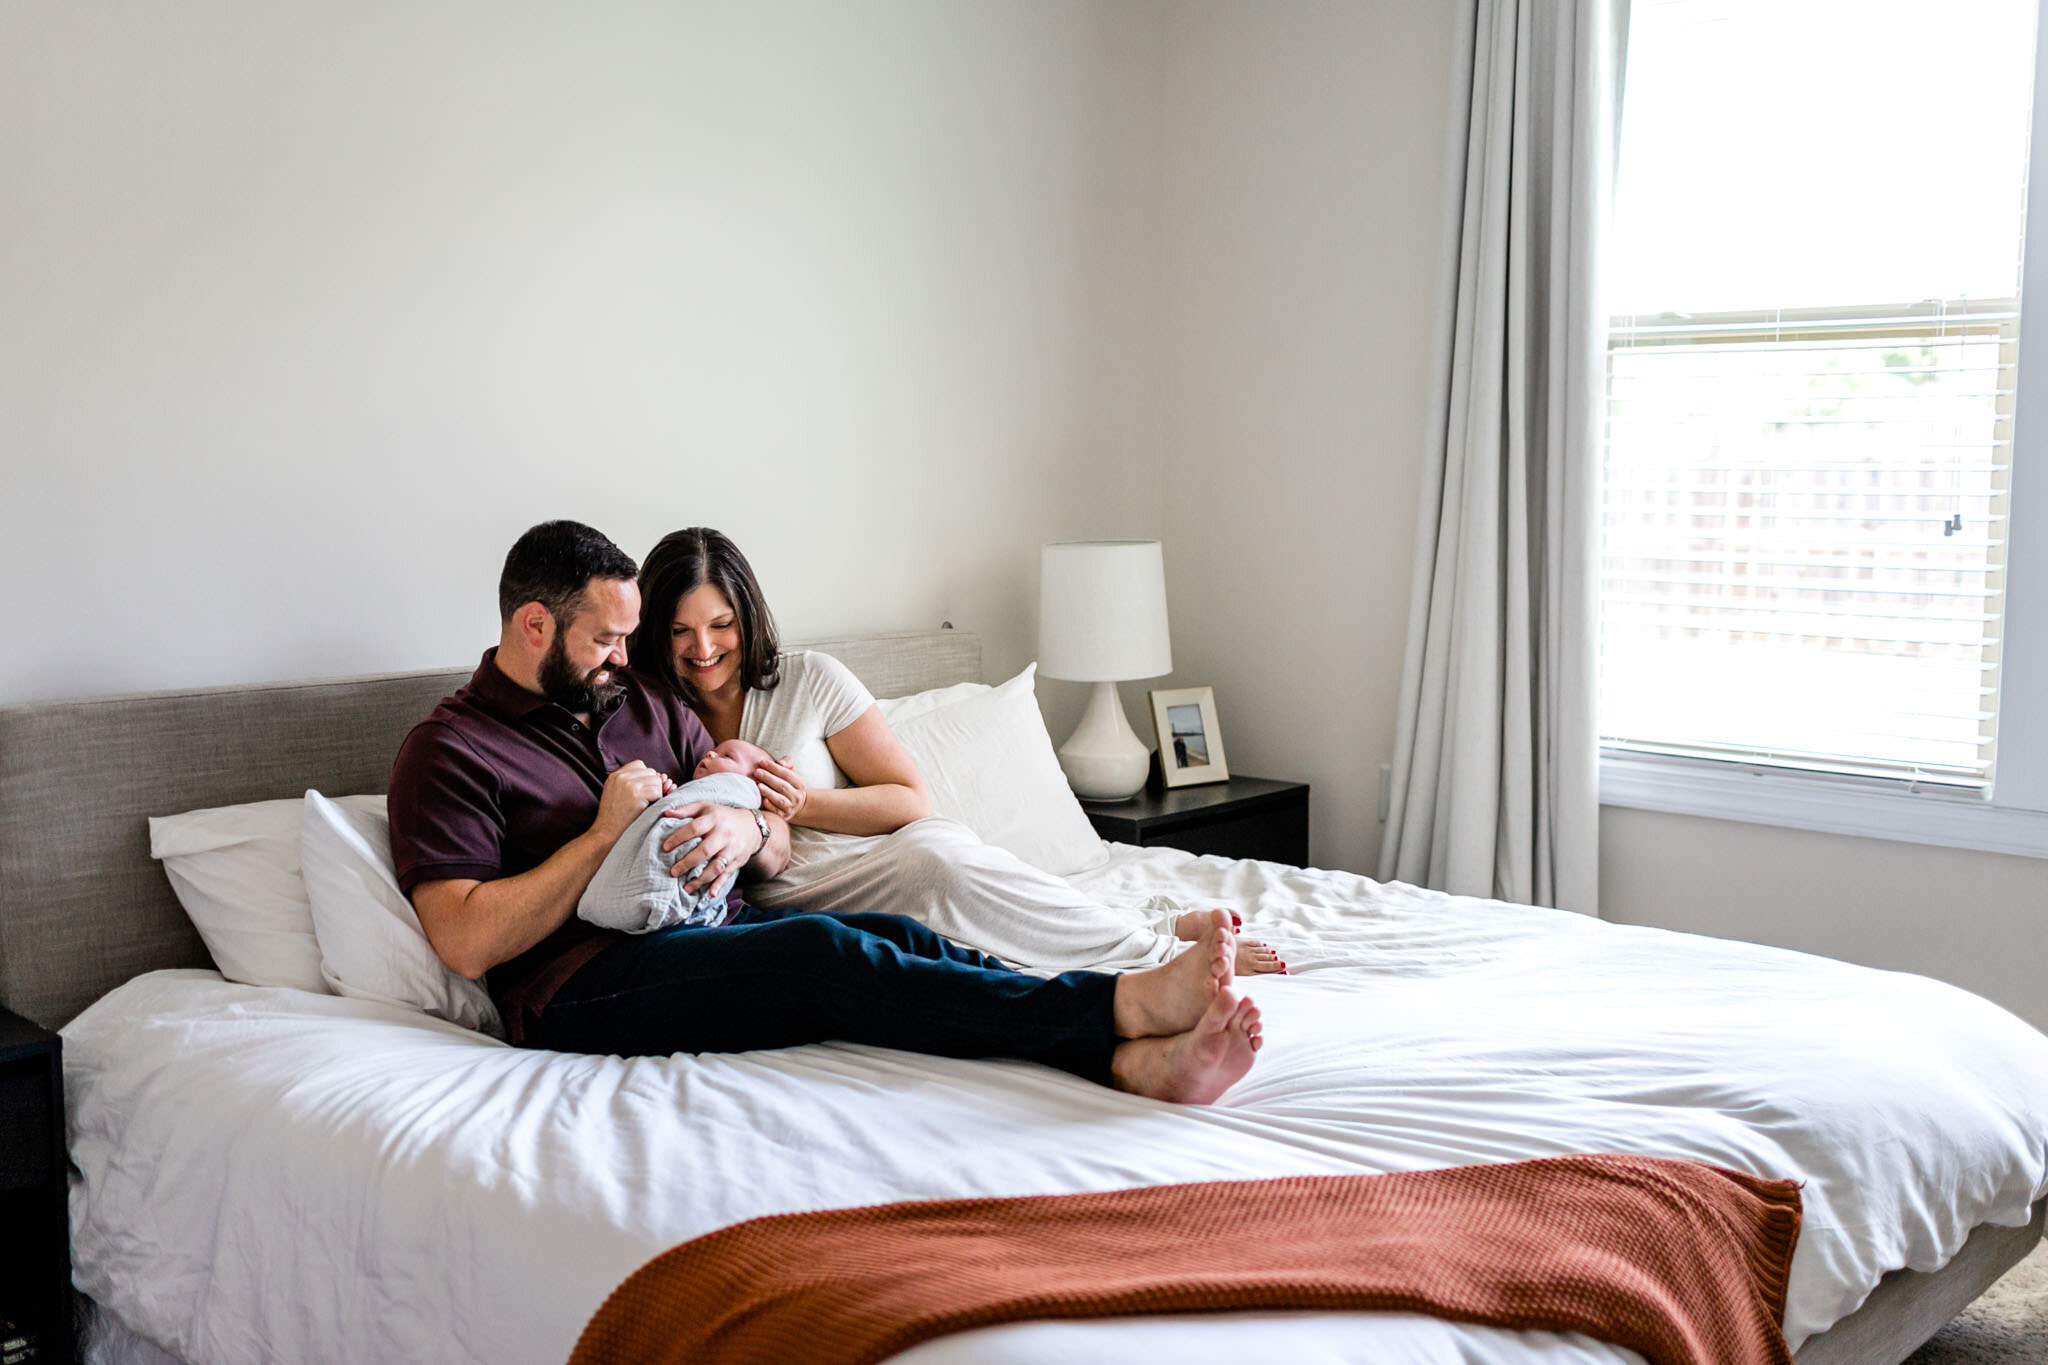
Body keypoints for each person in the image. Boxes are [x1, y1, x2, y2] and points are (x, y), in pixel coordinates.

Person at [387, 519, 1262, 1105]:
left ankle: (1124, 1058)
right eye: (607, 640)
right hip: (580, 990)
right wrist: (602, 836)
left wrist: (750, 830)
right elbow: (465, 940)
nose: (628, 658)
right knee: (822, 952)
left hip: (710, 934)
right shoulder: (449, 751)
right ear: (535, 625)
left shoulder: (641, 707)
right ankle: (1121, 1008)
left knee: (914, 943)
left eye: (627, 638)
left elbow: (766, 834)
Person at [626, 527, 1288, 976]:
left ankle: (1157, 952)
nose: (703, 649)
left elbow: (910, 797)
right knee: (976, 943)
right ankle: (1156, 929)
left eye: (721, 625)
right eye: (681, 630)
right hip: (783, 909)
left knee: (951, 872)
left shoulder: (809, 679)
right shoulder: (648, 715)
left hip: (882, 860)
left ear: (749, 614)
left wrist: (804, 803)